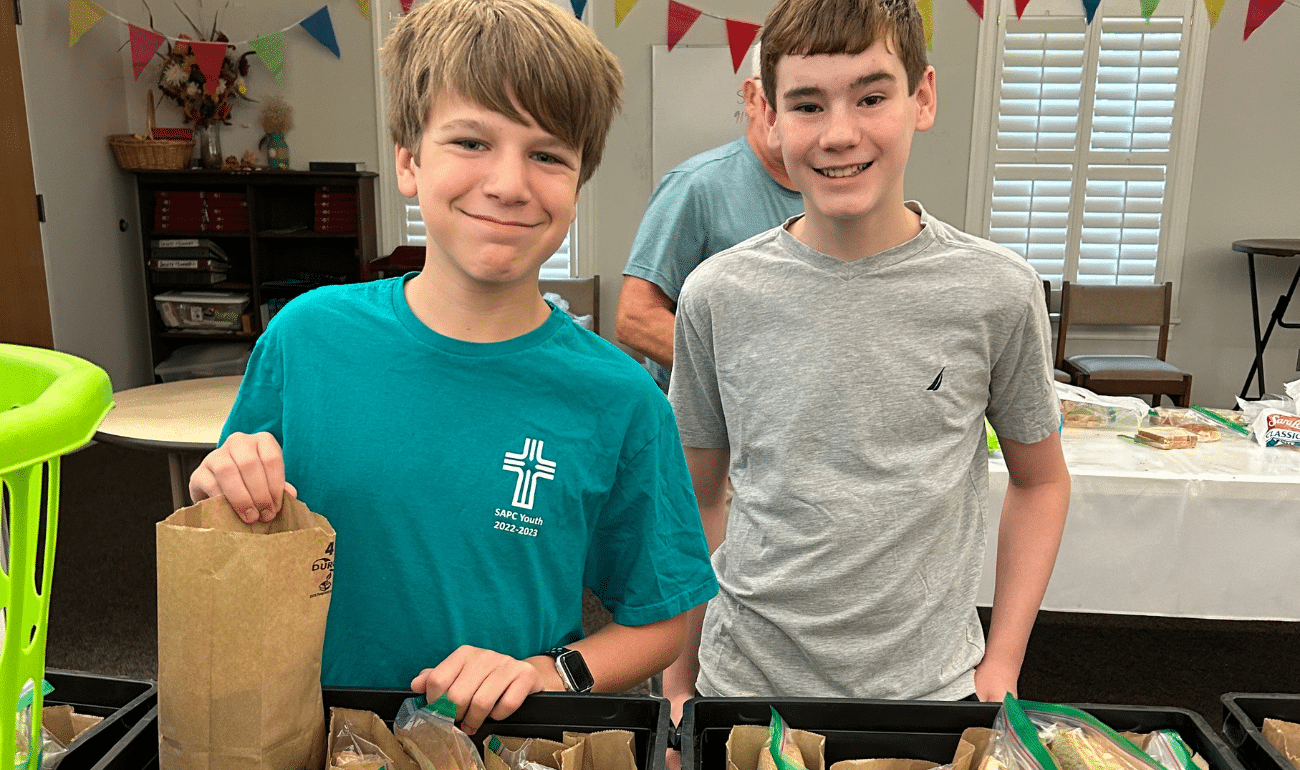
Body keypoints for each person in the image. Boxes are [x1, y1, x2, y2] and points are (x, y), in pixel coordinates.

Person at [188, 0, 717, 736]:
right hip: (307, 733)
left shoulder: (620, 399)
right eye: (471, 141)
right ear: (409, 161)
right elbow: (239, 528)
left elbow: (663, 617)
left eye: (546, 155)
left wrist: (547, 671)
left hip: (506, 743)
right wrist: (220, 484)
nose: (507, 183)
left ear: (576, 185)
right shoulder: (307, 337)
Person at [665, 0, 1071, 715]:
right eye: (808, 104)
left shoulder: (996, 291)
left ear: (923, 98)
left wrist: (1003, 661)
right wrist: (677, 677)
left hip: (928, 693)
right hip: (744, 687)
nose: (839, 133)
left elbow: (1040, 482)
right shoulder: (717, 295)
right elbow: (695, 499)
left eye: (872, 96)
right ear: (768, 114)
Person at [616, 44, 803, 392]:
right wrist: (744, 375)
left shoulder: (833, 194)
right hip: (709, 431)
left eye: (809, 104)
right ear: (752, 97)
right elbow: (635, 318)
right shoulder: (696, 185)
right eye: (782, 99)